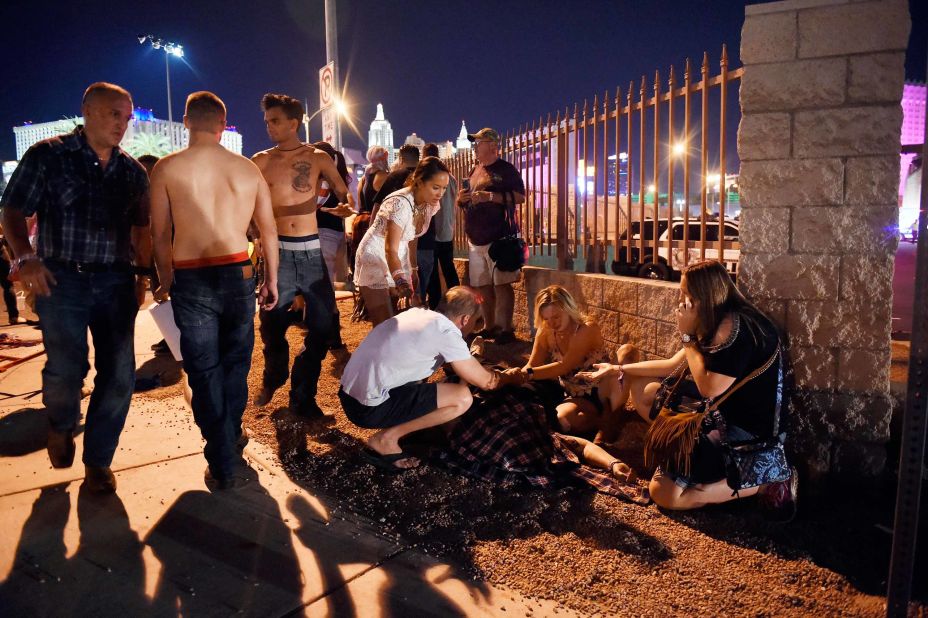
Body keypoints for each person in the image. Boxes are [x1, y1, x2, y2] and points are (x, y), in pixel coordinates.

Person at [0, 82, 151, 493]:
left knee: (119, 375)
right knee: (67, 370)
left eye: (126, 116)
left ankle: (98, 461)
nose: (121, 123)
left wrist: (141, 275)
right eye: (113, 113)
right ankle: (61, 424)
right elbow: (12, 208)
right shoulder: (49, 156)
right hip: (61, 279)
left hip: (115, 281)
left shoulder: (132, 172)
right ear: (87, 110)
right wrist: (24, 257)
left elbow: (142, 229)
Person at [578, 260, 797, 518]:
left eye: (686, 294)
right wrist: (617, 370)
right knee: (647, 392)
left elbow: (709, 388)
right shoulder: (718, 318)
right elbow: (672, 364)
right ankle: (729, 478)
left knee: (664, 494)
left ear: (706, 295)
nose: (680, 300)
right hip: (719, 415)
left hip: (747, 432)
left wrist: (687, 336)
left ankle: (767, 479)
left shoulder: (733, 330)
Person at [150, 91, 280, 490]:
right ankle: (229, 440)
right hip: (237, 271)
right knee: (236, 364)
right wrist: (271, 278)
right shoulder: (246, 170)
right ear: (223, 125)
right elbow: (268, 231)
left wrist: (165, 278)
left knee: (203, 369)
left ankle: (221, 453)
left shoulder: (167, 168)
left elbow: (159, 233)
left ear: (187, 121)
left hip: (190, 274)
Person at [339, 286, 521, 471]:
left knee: (427, 380)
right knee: (462, 398)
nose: (477, 327)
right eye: (477, 321)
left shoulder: (417, 314)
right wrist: (509, 377)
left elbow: (451, 364)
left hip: (348, 396)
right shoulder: (446, 332)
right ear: (465, 319)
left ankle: (396, 433)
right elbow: (487, 382)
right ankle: (387, 439)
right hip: (367, 410)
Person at [251, 93, 352, 417]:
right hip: (278, 254)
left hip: (310, 253)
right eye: (267, 121)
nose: (269, 127)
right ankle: (274, 377)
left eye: (275, 121)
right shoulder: (261, 161)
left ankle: (302, 397)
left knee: (323, 327)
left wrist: (345, 204)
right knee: (271, 326)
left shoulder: (318, 158)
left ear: (294, 123)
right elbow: (248, 201)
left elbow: (341, 187)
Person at [511, 285, 627, 439]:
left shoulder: (586, 328)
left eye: (556, 317)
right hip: (574, 393)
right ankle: (599, 421)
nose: (552, 323)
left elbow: (564, 366)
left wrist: (526, 375)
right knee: (562, 420)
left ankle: (611, 418)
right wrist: (515, 376)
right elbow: (533, 364)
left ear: (568, 309)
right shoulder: (546, 331)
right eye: (546, 318)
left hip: (602, 388)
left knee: (628, 351)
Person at [353, 157, 449, 325]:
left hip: (399, 253)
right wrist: (400, 280)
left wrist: (412, 267)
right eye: (436, 187)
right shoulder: (400, 203)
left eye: (444, 188)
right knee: (384, 322)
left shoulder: (429, 204)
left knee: (401, 320)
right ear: (419, 182)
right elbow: (389, 248)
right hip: (376, 253)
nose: (440, 194)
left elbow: (412, 237)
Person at [456, 128, 525, 345]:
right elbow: (464, 201)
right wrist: (461, 198)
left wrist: (490, 196)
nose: (475, 147)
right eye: (475, 143)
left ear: (492, 146)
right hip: (475, 238)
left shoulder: (506, 170)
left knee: (502, 284)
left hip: (499, 237)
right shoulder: (474, 169)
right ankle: (489, 326)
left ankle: (506, 329)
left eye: (479, 143)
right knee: (483, 285)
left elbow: (520, 196)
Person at [423, 145, 460, 310]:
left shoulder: (430, 177)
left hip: (432, 231)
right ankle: (458, 303)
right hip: (447, 230)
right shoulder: (450, 178)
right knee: (449, 269)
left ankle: (436, 306)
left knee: (432, 274)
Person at [371, 144, 420, 218]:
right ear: (418, 159)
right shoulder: (426, 176)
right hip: (423, 224)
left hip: (399, 224)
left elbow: (378, 203)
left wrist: (372, 226)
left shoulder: (395, 176)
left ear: (401, 159)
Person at [357, 146, 390, 214]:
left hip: (362, 220)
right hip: (377, 220)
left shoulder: (363, 179)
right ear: (385, 157)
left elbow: (360, 204)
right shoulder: (384, 176)